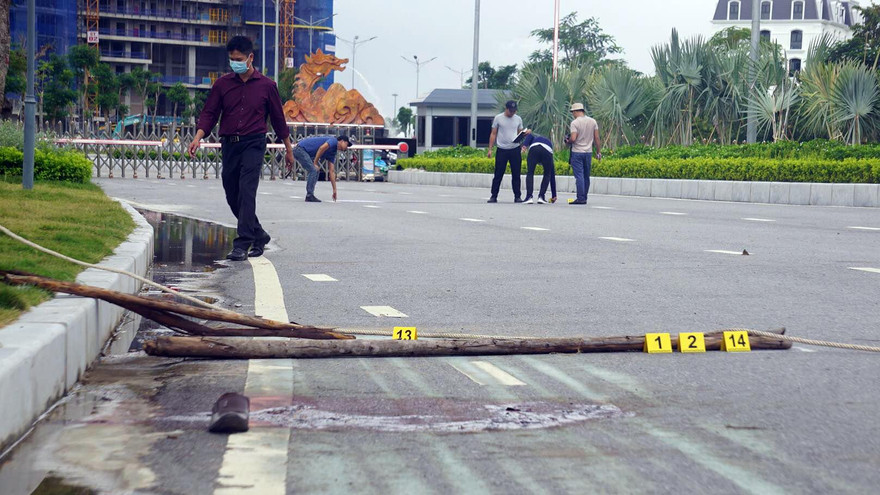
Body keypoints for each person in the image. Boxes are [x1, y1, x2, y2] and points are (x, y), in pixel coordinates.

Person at [189, 35, 294, 261]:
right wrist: (198, 137)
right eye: (231, 59)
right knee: (232, 194)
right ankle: (259, 235)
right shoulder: (222, 84)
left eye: (238, 58)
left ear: (250, 58)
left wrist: (288, 149)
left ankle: (242, 243)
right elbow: (210, 113)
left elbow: (278, 119)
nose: (234, 62)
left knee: (247, 191)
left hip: (254, 143)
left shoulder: (267, 86)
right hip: (229, 144)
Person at [293, 135, 352, 202]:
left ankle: (310, 194)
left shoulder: (332, 152)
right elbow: (321, 148)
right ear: (342, 141)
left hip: (303, 151)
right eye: (346, 145)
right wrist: (315, 163)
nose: (346, 148)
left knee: (316, 171)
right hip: (300, 149)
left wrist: (334, 190)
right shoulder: (333, 141)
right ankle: (309, 195)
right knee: (313, 170)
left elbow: (331, 171)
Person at [487, 100, 524, 203]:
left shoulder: (518, 119)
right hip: (502, 149)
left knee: (516, 174)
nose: (512, 113)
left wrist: (523, 139)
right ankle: (494, 196)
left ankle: (517, 196)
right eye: (511, 111)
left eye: (514, 111)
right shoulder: (498, 118)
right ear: (506, 109)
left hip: (515, 149)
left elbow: (519, 133)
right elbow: (493, 133)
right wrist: (490, 149)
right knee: (498, 174)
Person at [566, 103, 601, 205]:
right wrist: (598, 152)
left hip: (577, 152)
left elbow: (573, 138)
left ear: (576, 111)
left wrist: (567, 141)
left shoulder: (575, 123)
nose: (573, 114)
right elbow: (597, 138)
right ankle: (584, 197)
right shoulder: (592, 121)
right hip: (588, 152)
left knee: (579, 176)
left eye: (573, 112)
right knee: (586, 175)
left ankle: (580, 198)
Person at [521, 130, 557, 204]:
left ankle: (529, 197)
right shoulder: (548, 143)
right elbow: (552, 175)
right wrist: (554, 195)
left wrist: (524, 145)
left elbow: (529, 135)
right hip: (547, 150)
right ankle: (541, 197)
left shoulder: (535, 139)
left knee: (530, 172)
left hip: (534, 149)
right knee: (547, 174)